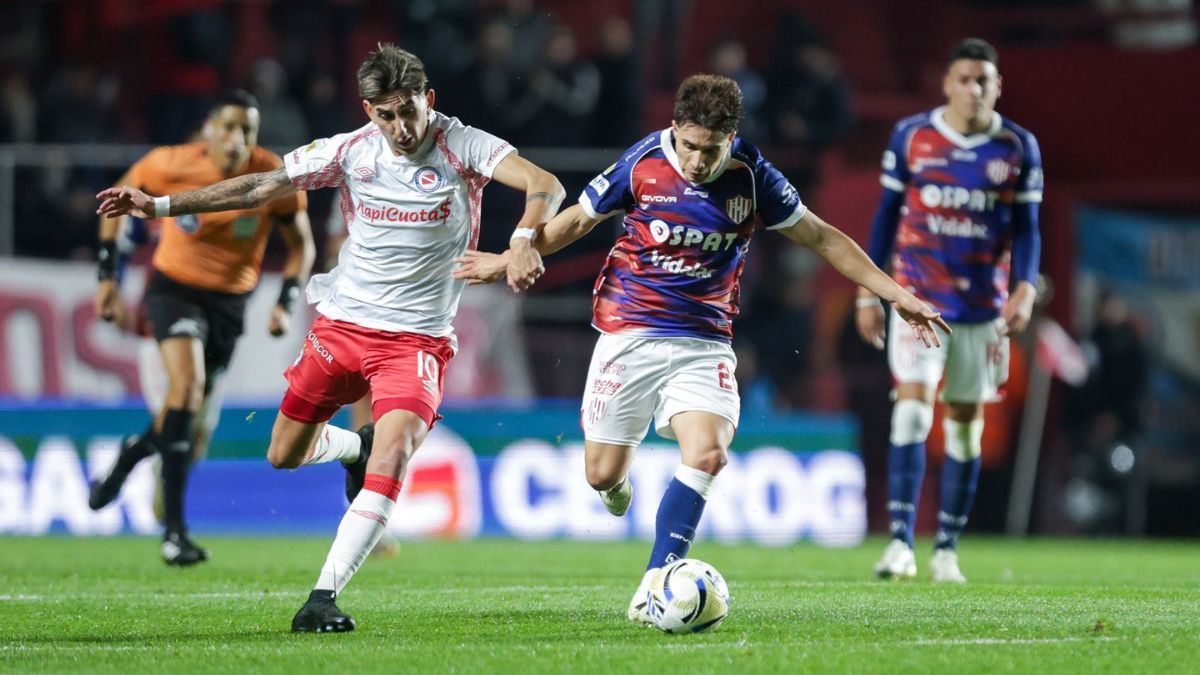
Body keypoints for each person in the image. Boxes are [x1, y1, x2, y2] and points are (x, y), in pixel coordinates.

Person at [97, 44, 564, 632]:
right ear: (368, 110)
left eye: (411, 110)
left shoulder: (461, 143)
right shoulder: (350, 151)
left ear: (431, 100)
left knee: (394, 451)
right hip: (341, 326)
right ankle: (352, 447)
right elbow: (255, 188)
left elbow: (543, 183)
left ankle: (323, 595)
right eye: (387, 115)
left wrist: (522, 238)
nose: (402, 127)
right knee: (283, 454)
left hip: (416, 341)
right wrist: (163, 205)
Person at [454, 73, 949, 624]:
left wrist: (896, 294)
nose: (695, 161)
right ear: (674, 130)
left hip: (704, 342)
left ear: (731, 138)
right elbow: (575, 220)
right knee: (600, 473)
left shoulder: (753, 176)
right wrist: (506, 259)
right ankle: (615, 487)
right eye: (688, 145)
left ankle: (654, 583)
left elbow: (823, 237)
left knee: (709, 453)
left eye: (709, 150)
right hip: (628, 334)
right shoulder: (642, 163)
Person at [89, 90, 315, 567]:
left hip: (231, 306)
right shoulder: (169, 163)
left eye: (247, 130)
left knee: (192, 431)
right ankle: (175, 533)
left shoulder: (272, 175)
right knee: (185, 390)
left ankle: (134, 452)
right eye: (229, 126)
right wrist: (107, 279)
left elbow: (302, 246)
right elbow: (113, 207)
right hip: (174, 291)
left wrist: (286, 302)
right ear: (210, 129)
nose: (238, 138)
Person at [854, 38, 1043, 583]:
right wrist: (873, 292)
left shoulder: (1018, 147)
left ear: (997, 86)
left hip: (983, 309)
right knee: (910, 410)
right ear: (947, 84)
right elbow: (886, 216)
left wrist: (1024, 287)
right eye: (965, 78)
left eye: (984, 79)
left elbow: (1027, 228)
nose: (974, 89)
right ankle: (898, 545)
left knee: (963, 429)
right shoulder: (913, 136)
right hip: (918, 302)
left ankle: (946, 551)